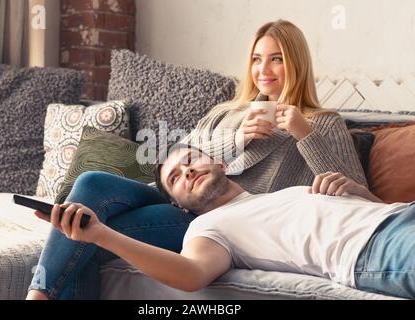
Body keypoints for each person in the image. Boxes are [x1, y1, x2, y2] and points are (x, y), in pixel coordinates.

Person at [27, 19, 368, 300]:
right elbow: (176, 159)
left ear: (296, 63)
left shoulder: (322, 122)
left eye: (276, 58)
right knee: (90, 183)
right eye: (256, 59)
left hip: (214, 217)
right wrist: (237, 139)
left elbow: (354, 193)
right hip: (176, 196)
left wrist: (303, 134)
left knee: (88, 233)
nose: (264, 69)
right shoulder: (227, 112)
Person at [34, 144, 415, 299]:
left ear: (219, 163)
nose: (186, 171)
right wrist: (101, 235)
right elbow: (190, 274)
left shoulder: (283, 192)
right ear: (179, 207)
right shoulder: (207, 228)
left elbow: (383, 208)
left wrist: (360, 193)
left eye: (191, 160)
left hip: (399, 214)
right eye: (174, 178)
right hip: (374, 249)